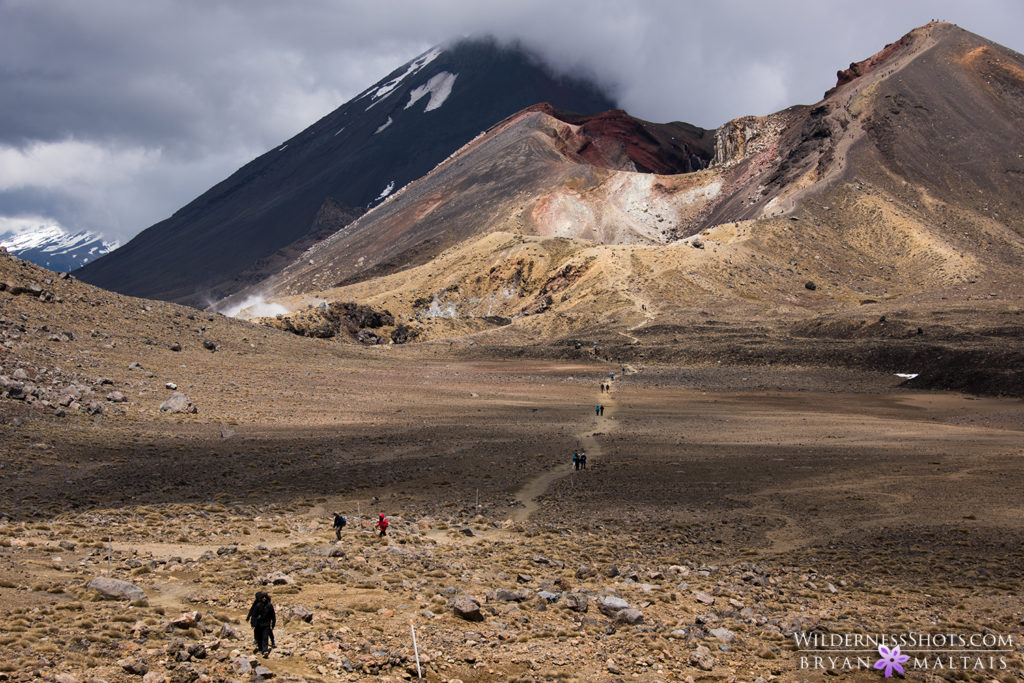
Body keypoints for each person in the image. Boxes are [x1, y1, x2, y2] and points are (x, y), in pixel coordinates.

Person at [246, 591, 276, 657]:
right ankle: (260, 649)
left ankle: (265, 650)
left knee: (265, 637)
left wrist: (273, 623)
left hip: (266, 624)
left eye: (265, 597)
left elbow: (273, 615)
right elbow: (253, 614)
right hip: (258, 624)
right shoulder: (257, 605)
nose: (264, 598)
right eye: (263, 597)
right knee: (259, 637)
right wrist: (252, 623)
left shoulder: (269, 606)